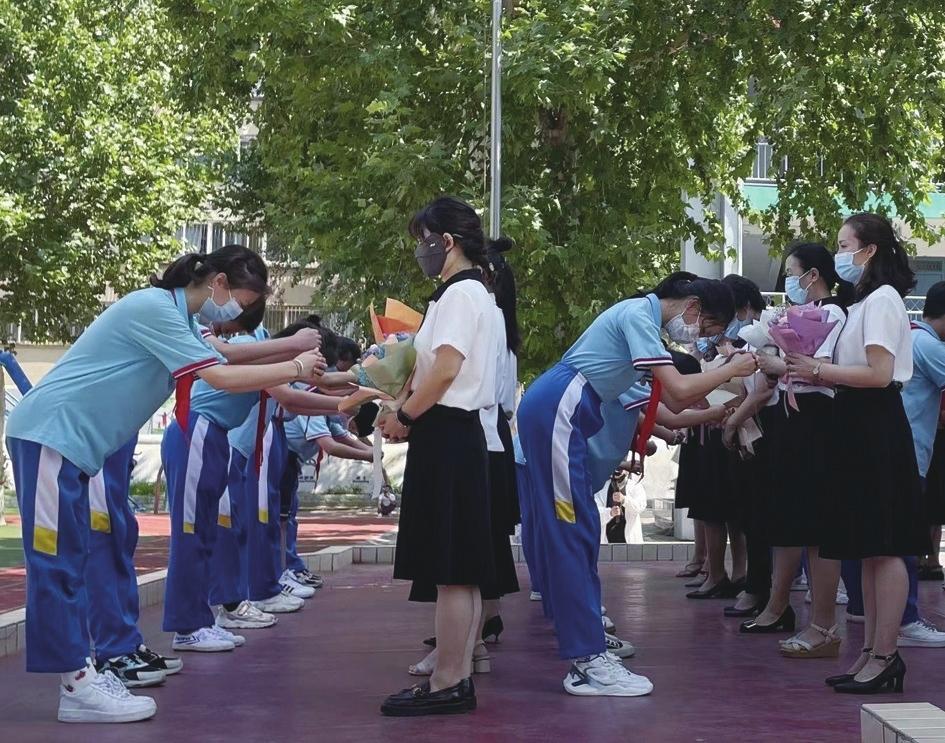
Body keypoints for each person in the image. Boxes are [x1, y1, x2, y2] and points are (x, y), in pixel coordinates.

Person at [6, 245, 326, 723]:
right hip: (53, 434)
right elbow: (219, 375)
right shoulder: (153, 308)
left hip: (71, 444)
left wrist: (291, 346)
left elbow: (224, 351)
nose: (238, 310)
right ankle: (76, 684)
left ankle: (83, 673)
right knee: (56, 561)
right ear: (216, 282)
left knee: (72, 556)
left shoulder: (176, 317)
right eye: (238, 297)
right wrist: (296, 367)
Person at [516, 271, 757, 698]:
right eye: (703, 326)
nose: (696, 335)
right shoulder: (639, 316)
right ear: (693, 306)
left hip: (565, 408)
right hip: (562, 408)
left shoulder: (638, 318)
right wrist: (732, 370)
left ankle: (586, 636)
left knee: (578, 529)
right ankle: (586, 659)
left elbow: (670, 405)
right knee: (572, 530)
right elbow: (680, 392)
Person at [786, 213, 930, 694]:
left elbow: (879, 373)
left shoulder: (884, 300)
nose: (840, 254)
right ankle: (870, 650)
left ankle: (886, 653)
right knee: (869, 546)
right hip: (858, 425)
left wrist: (818, 372)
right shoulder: (867, 301)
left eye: (845, 244)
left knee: (884, 546)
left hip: (875, 425)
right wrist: (811, 370)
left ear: (868, 250)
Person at [739, 243, 850, 652]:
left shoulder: (836, 313)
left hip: (816, 419)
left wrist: (781, 362)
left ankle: (824, 625)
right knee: (785, 518)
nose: (788, 282)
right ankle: (776, 603)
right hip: (787, 416)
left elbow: (822, 368)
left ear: (814, 274)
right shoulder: (792, 315)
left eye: (793, 272)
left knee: (816, 525)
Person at [685, 274, 765, 601]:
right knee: (716, 508)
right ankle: (722, 573)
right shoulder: (713, 345)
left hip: (732, 428)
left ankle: (732, 573)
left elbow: (748, 389)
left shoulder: (746, 341)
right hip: (712, 426)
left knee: (726, 509)